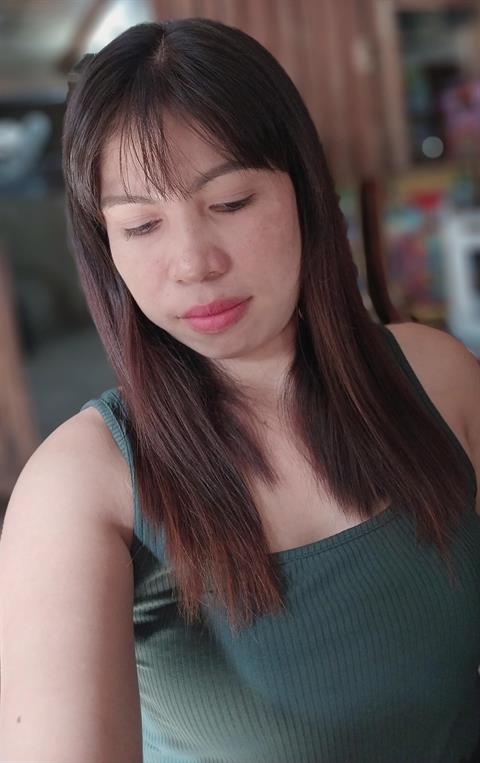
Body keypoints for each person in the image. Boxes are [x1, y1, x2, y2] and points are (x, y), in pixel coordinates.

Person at [0, 18, 479, 763]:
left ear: (304, 192)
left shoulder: (439, 379)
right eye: (142, 225)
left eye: (229, 203)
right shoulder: (78, 488)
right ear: (105, 248)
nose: (194, 262)